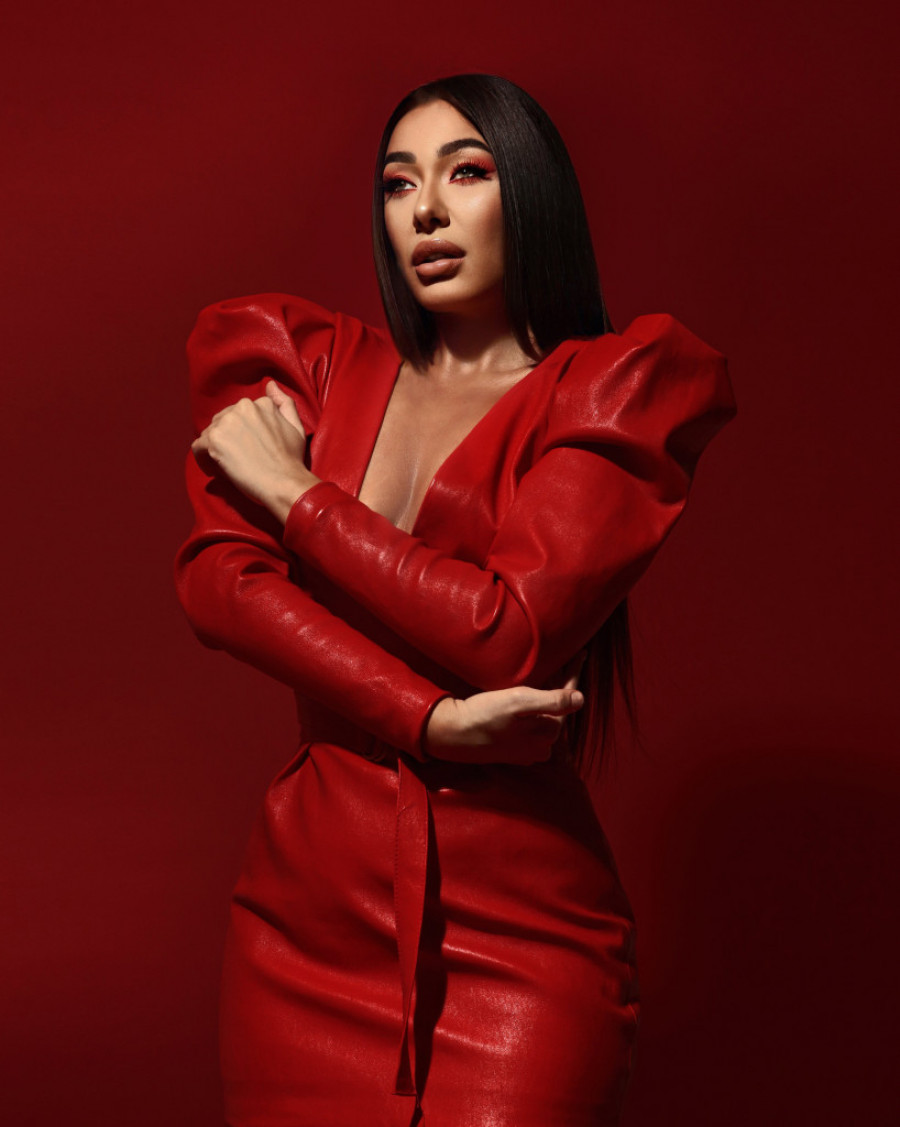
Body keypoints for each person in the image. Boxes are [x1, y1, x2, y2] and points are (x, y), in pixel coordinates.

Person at [175, 74, 737, 1127]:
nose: (425, 210)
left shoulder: (611, 391)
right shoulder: (309, 365)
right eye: (398, 185)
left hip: (515, 935)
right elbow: (220, 584)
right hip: (301, 923)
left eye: (466, 173)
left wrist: (296, 494)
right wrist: (426, 720)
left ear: (532, 195)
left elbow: (504, 631)